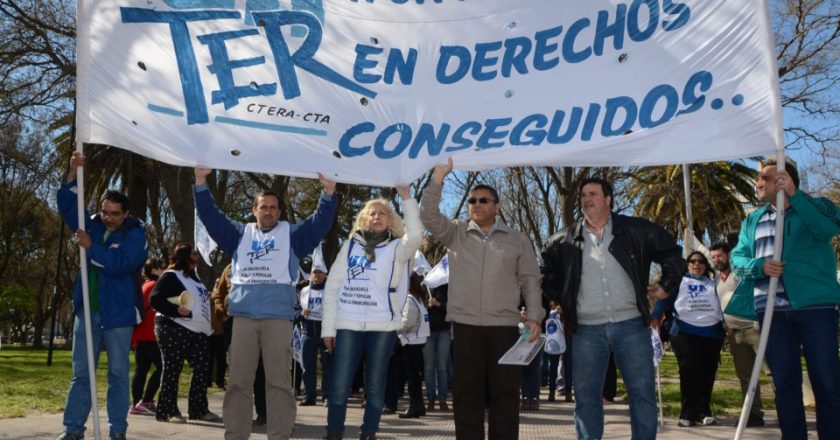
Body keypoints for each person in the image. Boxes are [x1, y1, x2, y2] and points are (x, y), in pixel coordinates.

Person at [194, 168, 337, 440]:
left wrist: (328, 193)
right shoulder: (238, 234)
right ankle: (235, 434)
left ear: (280, 212)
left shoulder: (293, 236)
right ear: (254, 209)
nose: (268, 212)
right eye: (263, 207)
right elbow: (211, 217)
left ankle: (280, 435)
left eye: (273, 208)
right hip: (244, 319)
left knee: (279, 383)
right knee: (238, 383)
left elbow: (319, 223)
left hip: (278, 320)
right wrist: (201, 182)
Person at [541, 176, 683, 440]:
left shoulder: (635, 230)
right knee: (586, 398)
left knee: (642, 394)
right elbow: (543, 271)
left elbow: (672, 251)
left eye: (593, 194)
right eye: (583, 195)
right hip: (585, 330)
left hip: (631, 325)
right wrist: (563, 299)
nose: (586, 199)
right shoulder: (564, 239)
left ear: (608, 199)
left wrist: (666, 286)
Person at [420, 158, 544, 440]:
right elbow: (428, 216)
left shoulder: (517, 238)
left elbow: (530, 280)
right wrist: (438, 179)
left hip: (504, 327)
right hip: (465, 326)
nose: (476, 204)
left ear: (497, 207)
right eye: (473, 200)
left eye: (484, 200)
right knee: (466, 395)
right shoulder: (455, 233)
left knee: (505, 394)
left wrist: (535, 316)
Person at [728, 159, 840, 439]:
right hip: (771, 312)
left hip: (816, 308)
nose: (758, 182)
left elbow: (828, 230)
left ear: (785, 179)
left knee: (826, 382)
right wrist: (759, 267)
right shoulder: (752, 219)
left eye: (765, 177)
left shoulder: (817, 206)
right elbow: (737, 257)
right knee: (785, 383)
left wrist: (796, 197)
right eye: (758, 177)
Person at [56, 152, 148, 440]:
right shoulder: (93, 224)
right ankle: (73, 430)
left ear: (126, 214)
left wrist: (91, 247)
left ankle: (117, 431)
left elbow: (119, 265)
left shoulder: (136, 234)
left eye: (114, 214)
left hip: (119, 315)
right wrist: (72, 173)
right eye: (104, 212)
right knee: (81, 374)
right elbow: (68, 206)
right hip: (88, 310)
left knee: (118, 376)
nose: (108, 218)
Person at [321, 186, 422, 440]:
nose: (376, 217)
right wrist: (328, 329)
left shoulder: (398, 248)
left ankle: (369, 432)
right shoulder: (349, 246)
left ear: (391, 220)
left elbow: (417, 235)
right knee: (340, 384)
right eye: (371, 213)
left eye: (382, 214)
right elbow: (332, 287)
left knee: (376, 385)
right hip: (347, 323)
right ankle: (334, 432)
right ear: (364, 218)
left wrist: (407, 198)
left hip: (382, 326)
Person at [652, 251, 724, 427]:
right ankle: (687, 413)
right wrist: (654, 316)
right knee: (688, 370)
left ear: (706, 265)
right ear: (687, 264)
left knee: (707, 373)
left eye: (700, 262)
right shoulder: (678, 282)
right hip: (684, 331)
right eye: (692, 261)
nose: (696, 264)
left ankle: (703, 412)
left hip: (712, 333)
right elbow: (663, 301)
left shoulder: (714, 282)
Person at [149, 243, 219, 423]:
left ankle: (199, 409)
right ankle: (168, 411)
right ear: (185, 256)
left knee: (203, 368)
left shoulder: (195, 278)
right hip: (172, 327)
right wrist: (175, 310)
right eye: (194, 253)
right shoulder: (170, 276)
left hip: (197, 330)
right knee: (173, 369)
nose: (197, 256)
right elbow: (155, 299)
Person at [709, 241, 765, 427]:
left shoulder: (741, 274)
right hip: (735, 335)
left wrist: (759, 322)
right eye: (713, 257)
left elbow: (757, 295)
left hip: (755, 330)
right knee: (746, 377)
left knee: (775, 373)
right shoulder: (716, 279)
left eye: (720, 256)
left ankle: (788, 411)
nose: (717, 260)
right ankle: (753, 414)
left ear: (729, 256)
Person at [129, 258, 164, 416]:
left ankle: (136, 403)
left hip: (139, 334)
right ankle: (147, 400)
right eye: (161, 268)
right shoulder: (155, 285)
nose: (163, 270)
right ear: (155, 269)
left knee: (141, 369)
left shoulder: (144, 285)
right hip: (150, 334)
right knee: (162, 367)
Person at [397, 274, 430, 418]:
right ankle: (419, 406)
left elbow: (407, 322)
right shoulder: (419, 299)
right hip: (418, 341)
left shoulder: (409, 299)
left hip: (410, 341)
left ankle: (414, 406)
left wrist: (394, 328)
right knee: (415, 376)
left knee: (412, 377)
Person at [300, 264, 332, 406]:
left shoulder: (331, 291)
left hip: (325, 333)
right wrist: (301, 314)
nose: (316, 275)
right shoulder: (304, 291)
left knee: (328, 366)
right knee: (308, 367)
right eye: (314, 273)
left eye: (320, 273)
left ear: (325, 275)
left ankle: (327, 396)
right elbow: (295, 309)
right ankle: (310, 396)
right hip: (307, 333)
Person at [423, 283, 450, 412]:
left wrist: (439, 304)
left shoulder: (448, 286)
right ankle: (430, 398)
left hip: (444, 330)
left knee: (442, 367)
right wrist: (427, 305)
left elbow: (453, 307)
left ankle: (443, 400)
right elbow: (418, 306)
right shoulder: (425, 284)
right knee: (429, 367)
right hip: (427, 331)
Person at [543, 303, 566, 403]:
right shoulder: (553, 311)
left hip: (558, 340)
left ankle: (562, 391)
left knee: (562, 366)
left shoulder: (553, 310)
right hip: (557, 341)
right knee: (555, 366)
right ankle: (552, 392)